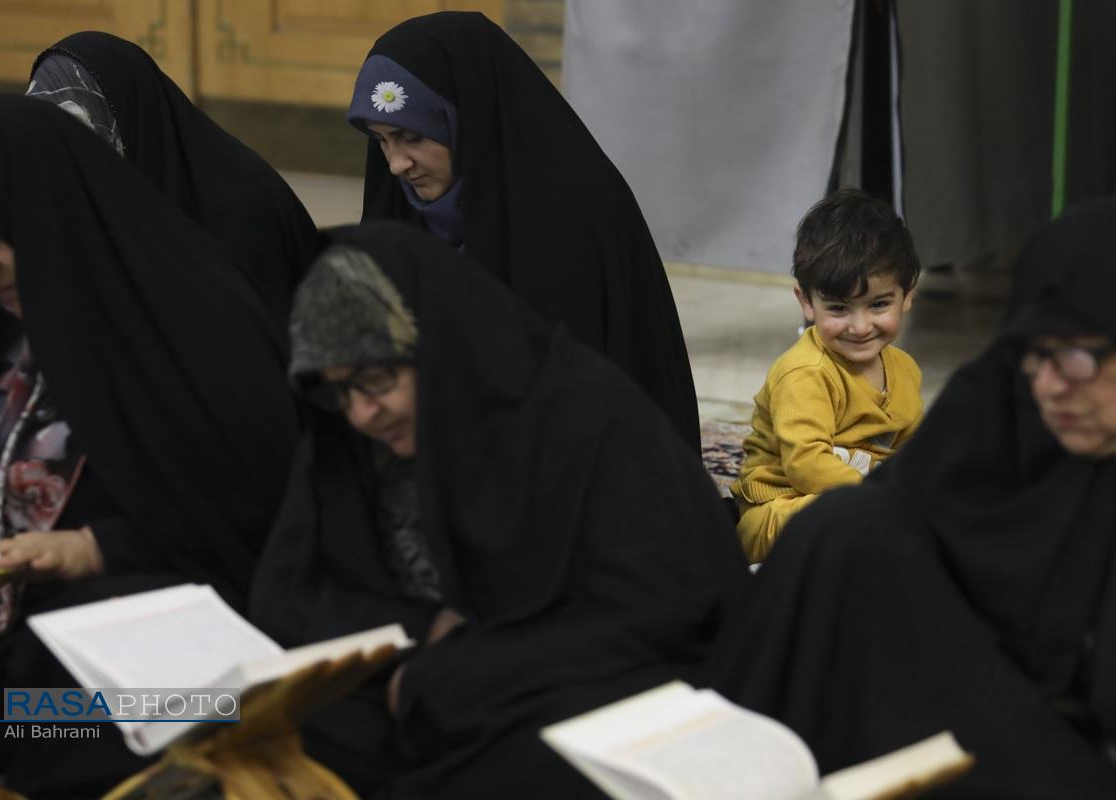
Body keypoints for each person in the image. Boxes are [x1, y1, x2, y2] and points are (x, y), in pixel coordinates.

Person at [249, 221, 749, 798]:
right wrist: (423, 632)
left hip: (553, 686)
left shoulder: (584, 418)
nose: (362, 413)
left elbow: (661, 614)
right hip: (411, 685)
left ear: (437, 346)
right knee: (242, 726)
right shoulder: (349, 442)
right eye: (338, 392)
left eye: (377, 378)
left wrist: (463, 669)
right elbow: (286, 598)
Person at [0, 94, 300, 797]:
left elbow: (259, 525)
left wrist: (96, 548)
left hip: (147, 681)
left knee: (55, 719)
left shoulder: (188, 328)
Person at [704, 197, 1116, 797]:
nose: (1048, 385)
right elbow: (894, 499)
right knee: (843, 526)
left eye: (1078, 357)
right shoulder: (1005, 399)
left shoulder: (908, 373)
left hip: (1052, 739)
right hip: (959, 679)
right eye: (1034, 353)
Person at [344, 12, 701, 452]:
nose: (397, 164)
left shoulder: (570, 211)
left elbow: (577, 399)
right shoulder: (397, 202)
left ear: (467, 118)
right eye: (381, 140)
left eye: (412, 137)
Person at [27, 31, 325, 327]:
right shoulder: (75, 210)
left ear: (129, 115)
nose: (63, 159)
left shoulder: (247, 215)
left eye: (78, 134)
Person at [731, 189, 923, 561]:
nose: (860, 326)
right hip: (779, 510)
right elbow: (806, 466)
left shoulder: (905, 370)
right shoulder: (805, 373)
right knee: (850, 522)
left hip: (860, 502)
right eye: (838, 308)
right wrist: (884, 501)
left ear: (907, 296)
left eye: (878, 304)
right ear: (806, 302)